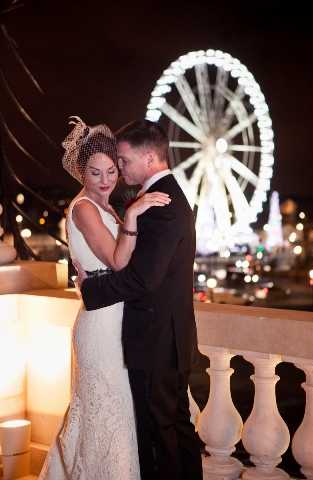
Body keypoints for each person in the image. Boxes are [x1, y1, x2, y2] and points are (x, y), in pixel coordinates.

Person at [38, 116, 170, 480]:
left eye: (112, 170)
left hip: (116, 318)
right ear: (82, 173)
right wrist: (134, 213)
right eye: (95, 173)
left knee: (115, 413)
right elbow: (116, 259)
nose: (106, 180)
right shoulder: (83, 208)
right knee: (104, 412)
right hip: (100, 324)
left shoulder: (106, 207)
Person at [78, 120, 203, 480]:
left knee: (158, 434)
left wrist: (91, 289)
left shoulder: (160, 205)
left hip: (154, 338)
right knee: (176, 427)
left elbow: (143, 278)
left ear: (149, 157)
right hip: (168, 337)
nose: (121, 167)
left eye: (125, 159)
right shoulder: (168, 195)